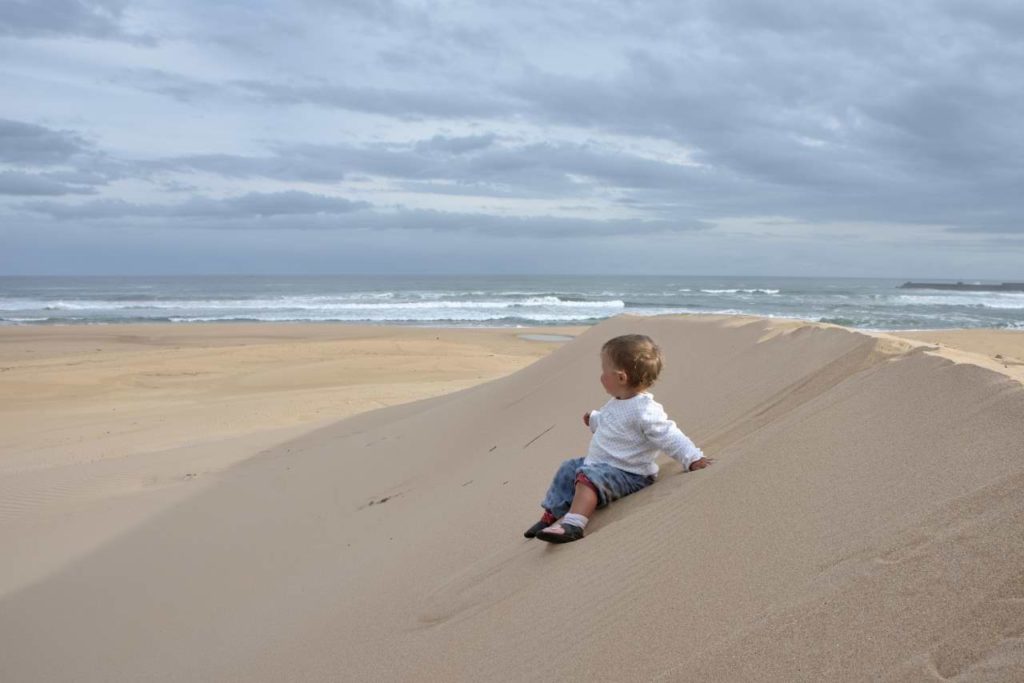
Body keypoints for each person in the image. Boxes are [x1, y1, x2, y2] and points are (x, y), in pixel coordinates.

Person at [525, 334, 710, 544]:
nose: (601, 377)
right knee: (568, 468)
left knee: (588, 477)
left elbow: (670, 435)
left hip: (629, 473)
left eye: (605, 372)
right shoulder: (617, 401)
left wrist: (693, 457)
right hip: (603, 465)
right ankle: (551, 515)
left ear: (621, 378)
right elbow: (612, 424)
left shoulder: (646, 411)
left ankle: (574, 524)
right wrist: (595, 420)